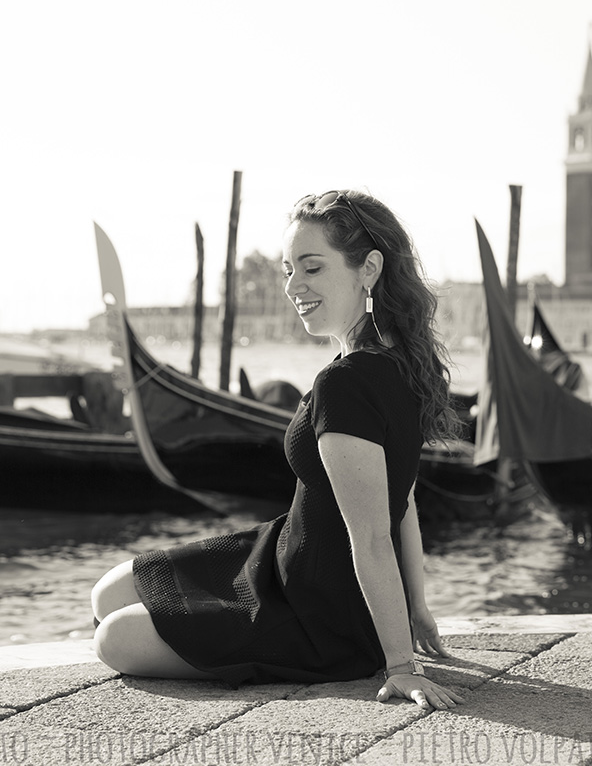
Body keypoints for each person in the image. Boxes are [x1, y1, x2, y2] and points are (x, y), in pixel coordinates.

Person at [91, 190, 466, 711]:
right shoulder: (397, 364)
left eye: (312, 269)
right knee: (106, 594)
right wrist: (416, 608)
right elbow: (400, 500)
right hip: (278, 557)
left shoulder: (347, 383)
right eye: (289, 270)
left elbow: (375, 534)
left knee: (113, 639)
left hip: (317, 613)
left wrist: (400, 664)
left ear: (369, 269)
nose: (294, 286)